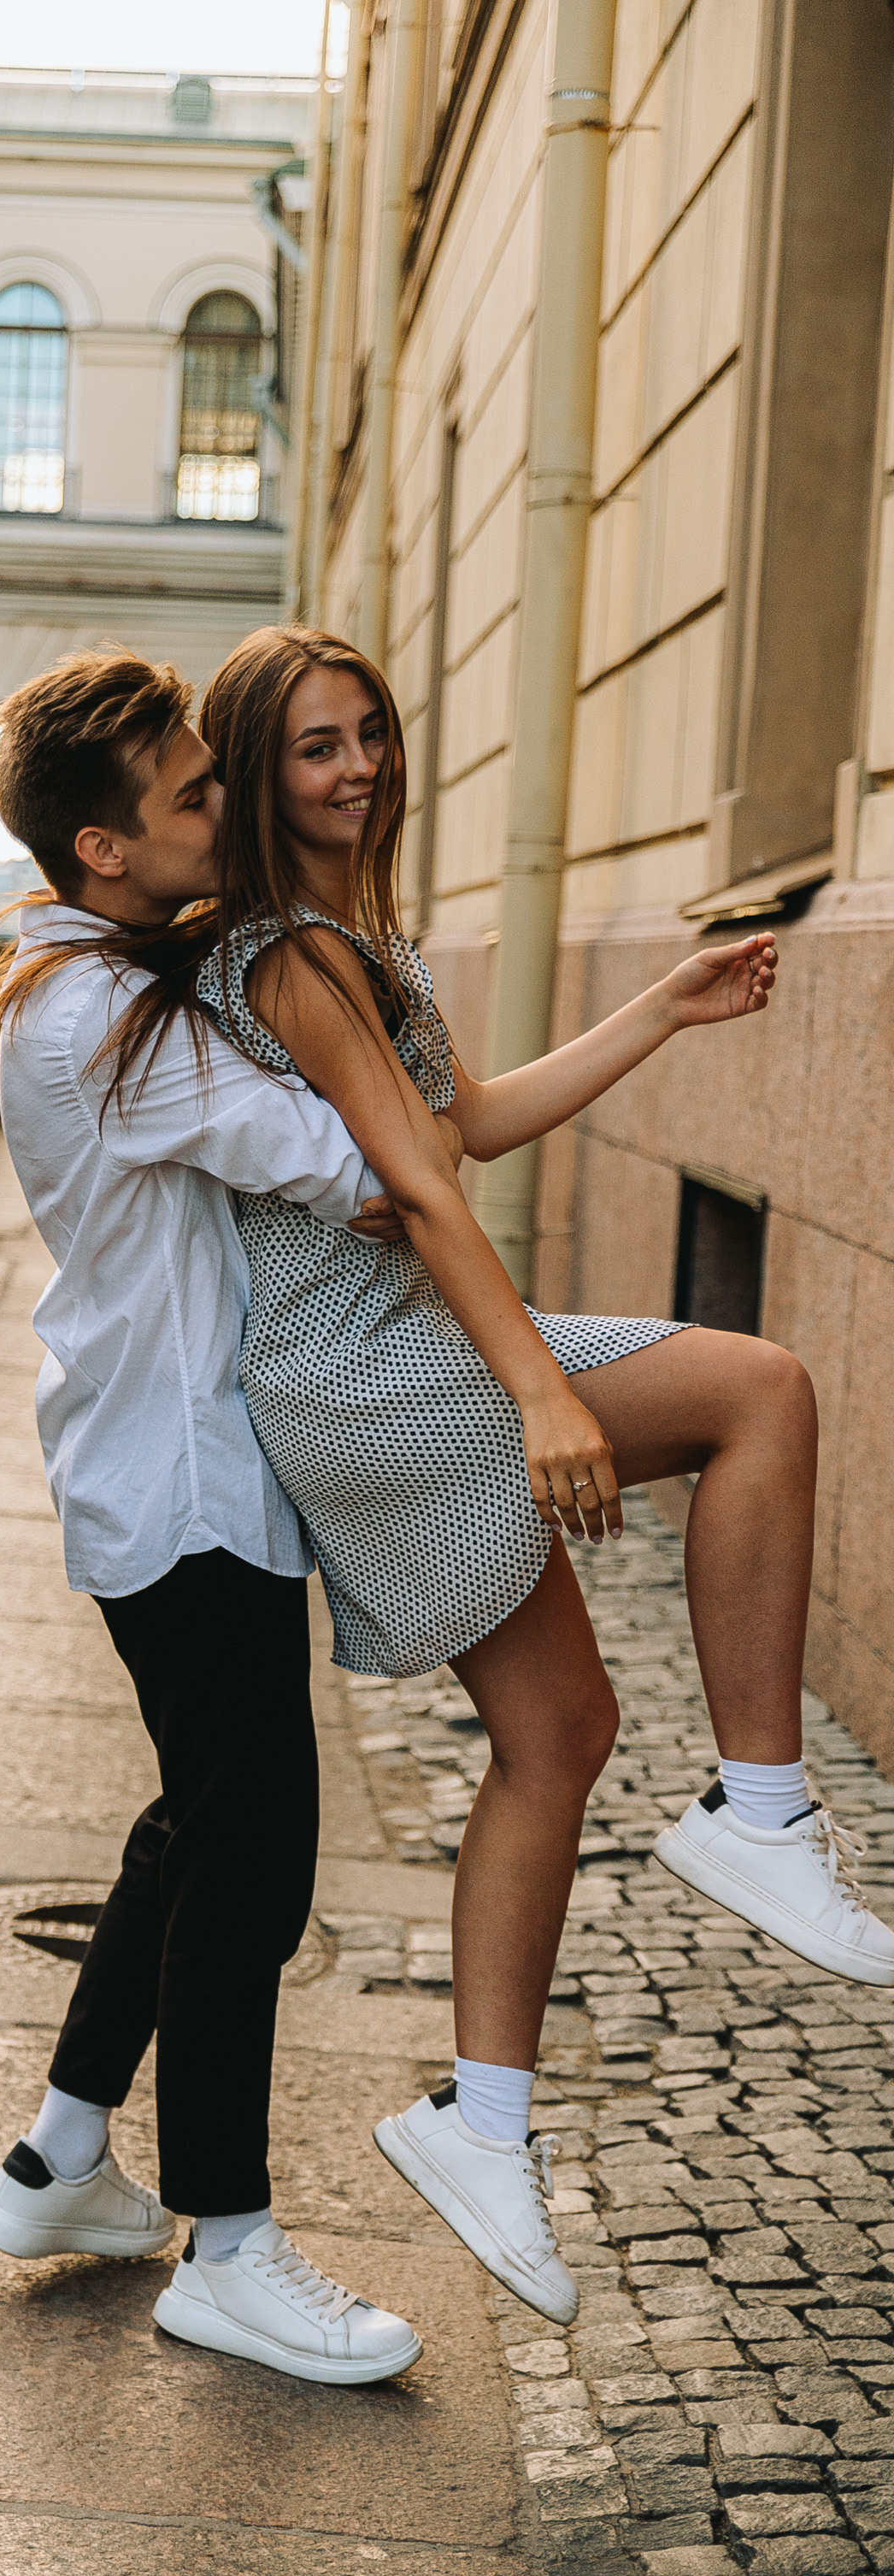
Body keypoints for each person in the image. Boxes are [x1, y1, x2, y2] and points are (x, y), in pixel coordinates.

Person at [165, 623, 892, 2324]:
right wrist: (542, 1402)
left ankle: (476, 2128)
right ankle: (760, 1815)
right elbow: (423, 1197)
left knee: (557, 1735)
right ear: (258, 778)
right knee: (757, 1390)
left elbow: (460, 1125)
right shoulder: (288, 956)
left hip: (384, 1360)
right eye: (312, 749)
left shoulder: (350, 945)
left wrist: (662, 1004)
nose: (355, 770)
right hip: (375, 1372)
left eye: (368, 736)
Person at [0, 649, 443, 2386]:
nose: (223, 806)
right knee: (251, 1863)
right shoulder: (101, 1018)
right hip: (178, 1485)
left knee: (195, 1820)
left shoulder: (74, 975)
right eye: (190, 792)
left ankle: (56, 2164)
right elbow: (351, 1161)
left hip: (157, 1465)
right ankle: (226, 2252)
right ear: (103, 850)